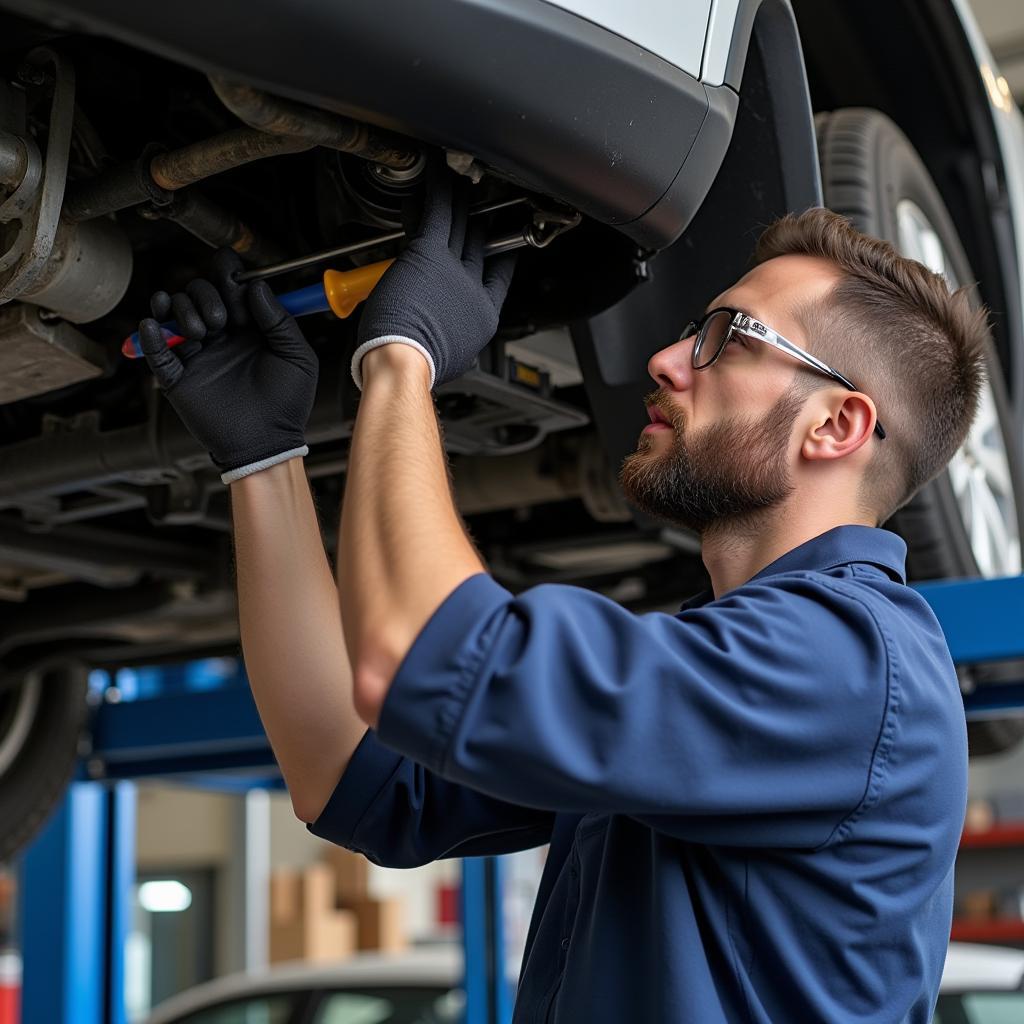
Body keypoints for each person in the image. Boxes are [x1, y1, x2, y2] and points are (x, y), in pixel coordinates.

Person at [138, 162, 983, 1023]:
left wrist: (402, 361)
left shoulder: (850, 664)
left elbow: (421, 654)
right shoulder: (735, 671)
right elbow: (355, 777)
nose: (664, 360)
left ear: (836, 425)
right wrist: (263, 461)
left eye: (726, 336)